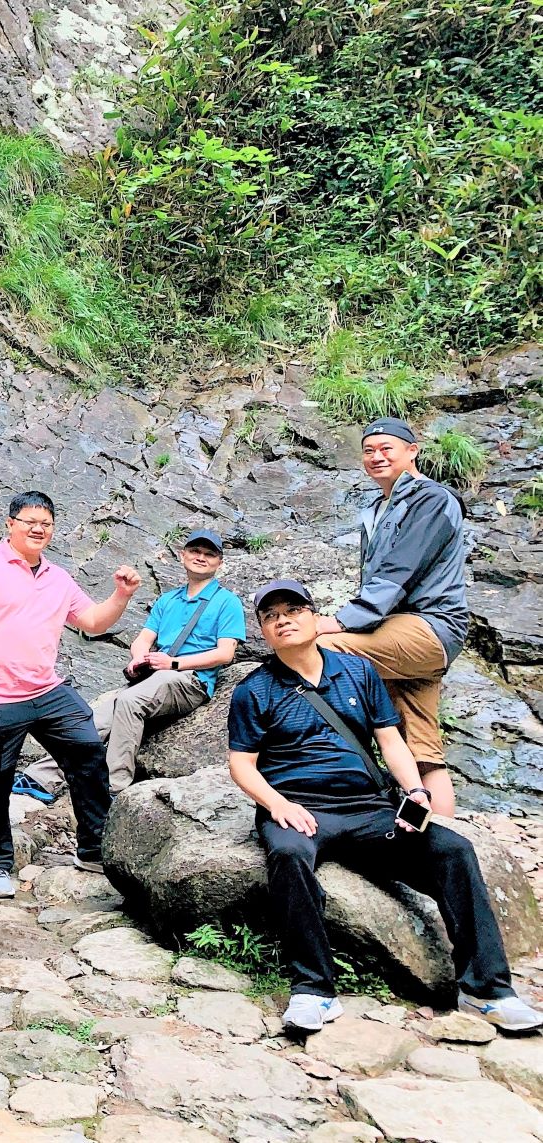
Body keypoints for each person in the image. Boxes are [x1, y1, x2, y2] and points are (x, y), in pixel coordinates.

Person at [228, 579, 542, 1034]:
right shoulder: (254, 690)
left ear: (314, 618)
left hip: (369, 809)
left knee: (452, 850)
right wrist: (277, 804)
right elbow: (242, 764)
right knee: (290, 855)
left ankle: (488, 990)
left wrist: (415, 793)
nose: (283, 620)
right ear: (264, 631)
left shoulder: (357, 672)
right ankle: (313, 990)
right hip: (301, 808)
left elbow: (390, 740)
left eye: (292, 609)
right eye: (271, 616)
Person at [0, 491, 142, 899]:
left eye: (46, 523)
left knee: (89, 753)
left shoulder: (58, 577)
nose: (38, 529)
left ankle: (93, 848)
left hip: (46, 687)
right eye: (29, 521)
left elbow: (92, 622)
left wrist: (121, 595)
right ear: (10, 523)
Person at [315, 417, 470, 817]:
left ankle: (326, 765)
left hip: (429, 624)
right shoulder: (378, 507)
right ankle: (446, 840)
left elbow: (400, 570)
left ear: (412, 451)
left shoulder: (431, 500)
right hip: (399, 632)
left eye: (387, 448)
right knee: (422, 748)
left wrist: (341, 621)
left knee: (319, 649)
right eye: (369, 450)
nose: (377, 456)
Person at [21, 528, 244, 799]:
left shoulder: (226, 602)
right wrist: (139, 658)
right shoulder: (168, 600)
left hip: (190, 679)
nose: (201, 558)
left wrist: (174, 664)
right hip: (156, 677)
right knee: (95, 717)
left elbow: (225, 654)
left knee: (129, 702)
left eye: (209, 554)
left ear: (219, 563)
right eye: (195, 551)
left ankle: (114, 788)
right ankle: (41, 778)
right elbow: (143, 640)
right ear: (182, 555)